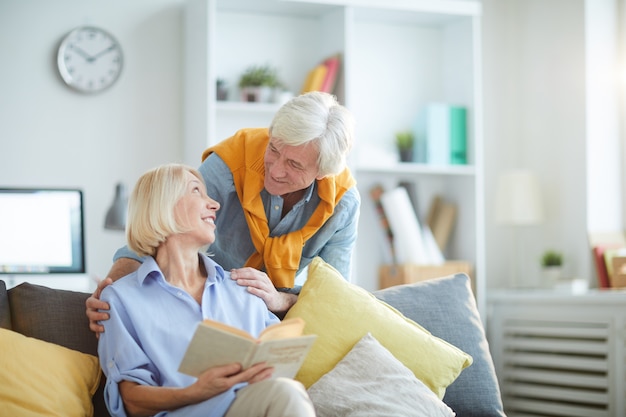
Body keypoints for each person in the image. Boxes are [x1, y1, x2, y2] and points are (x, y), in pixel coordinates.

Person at [87, 91, 360, 331]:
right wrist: (111, 294)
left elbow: (335, 296)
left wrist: (280, 300)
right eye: (273, 149)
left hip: (266, 316)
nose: (275, 171)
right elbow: (160, 230)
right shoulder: (230, 163)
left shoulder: (343, 203)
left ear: (323, 172)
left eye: (295, 165)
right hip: (208, 304)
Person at [97, 163, 315, 417]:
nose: (215, 204)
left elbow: (279, 370)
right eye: (196, 191)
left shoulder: (244, 290)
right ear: (162, 205)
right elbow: (131, 401)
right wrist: (198, 391)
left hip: (251, 407)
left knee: (285, 391)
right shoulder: (121, 300)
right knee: (285, 394)